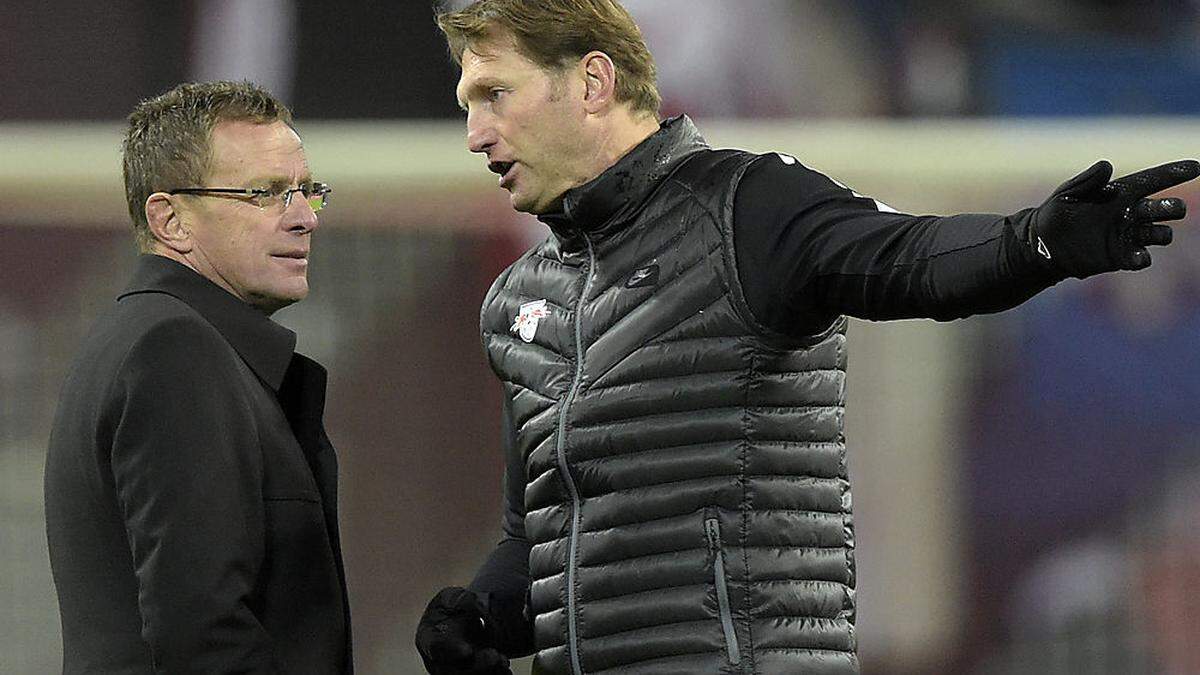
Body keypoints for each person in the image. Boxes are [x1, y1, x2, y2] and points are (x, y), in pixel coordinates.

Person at [413, 1, 1198, 673]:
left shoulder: (748, 206)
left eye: (495, 96)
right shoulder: (519, 301)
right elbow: (542, 537)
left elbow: (910, 260)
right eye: (467, 103)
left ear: (591, 83)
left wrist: (1034, 243)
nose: (476, 134)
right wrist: (480, 615)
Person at [44, 80, 351, 674]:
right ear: (171, 221)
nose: (302, 218)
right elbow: (202, 634)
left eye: (307, 191)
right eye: (265, 193)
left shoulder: (152, 336)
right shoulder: (173, 350)